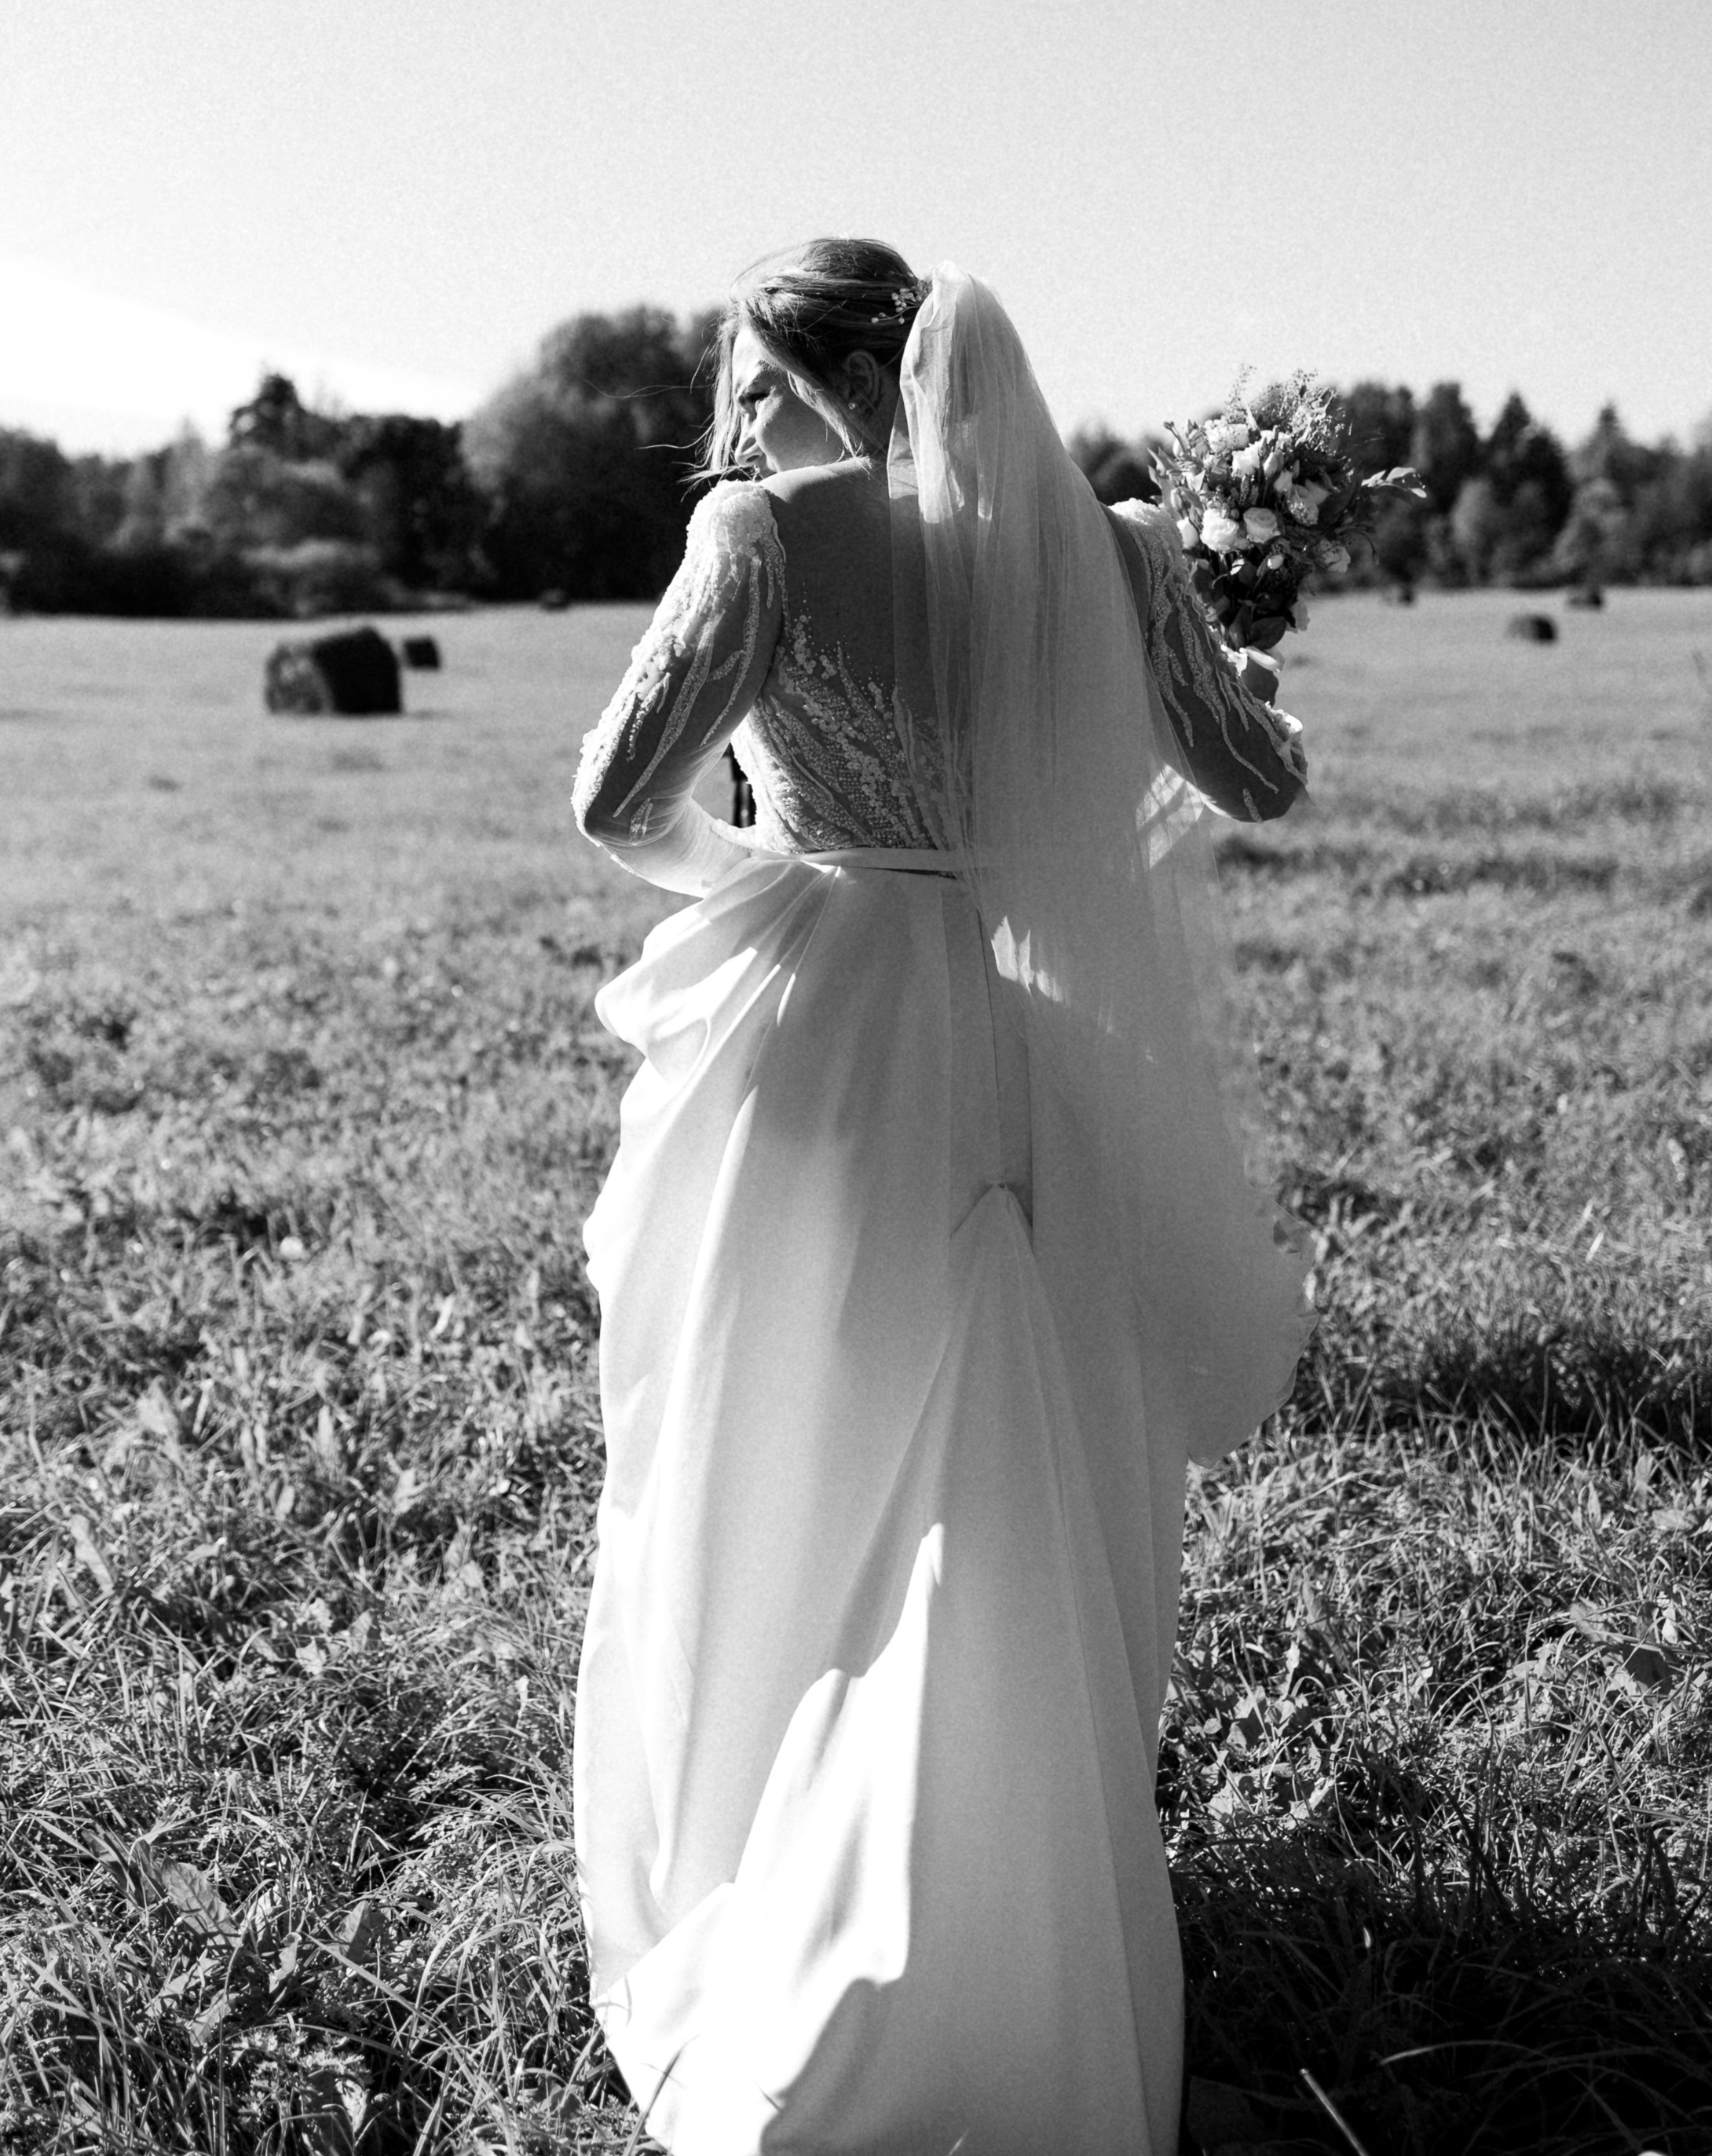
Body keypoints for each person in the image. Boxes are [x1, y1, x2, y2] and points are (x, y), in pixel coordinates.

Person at [570, 242, 1311, 2155]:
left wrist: (757, 872)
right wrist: (1229, 633)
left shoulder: (760, 537)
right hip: (1032, 1038)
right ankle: (1012, 1906)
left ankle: (800, 1902)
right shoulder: (1103, 543)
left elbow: (615, 794)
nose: (731, 413)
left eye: (743, 371)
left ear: (785, 366)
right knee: (1011, 1463)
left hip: (824, 1042)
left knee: (789, 1462)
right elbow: (1258, 780)